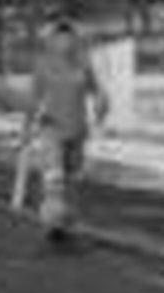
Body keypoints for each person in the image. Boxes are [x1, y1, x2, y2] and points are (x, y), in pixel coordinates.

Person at [21, 12, 107, 240]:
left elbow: (97, 91)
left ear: (74, 38)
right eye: (59, 35)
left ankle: (65, 220)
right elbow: (33, 99)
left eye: (68, 35)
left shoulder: (83, 63)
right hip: (51, 129)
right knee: (54, 178)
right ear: (51, 39)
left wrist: (101, 104)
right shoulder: (42, 63)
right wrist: (27, 127)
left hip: (77, 131)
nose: (64, 39)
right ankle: (53, 221)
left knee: (71, 180)